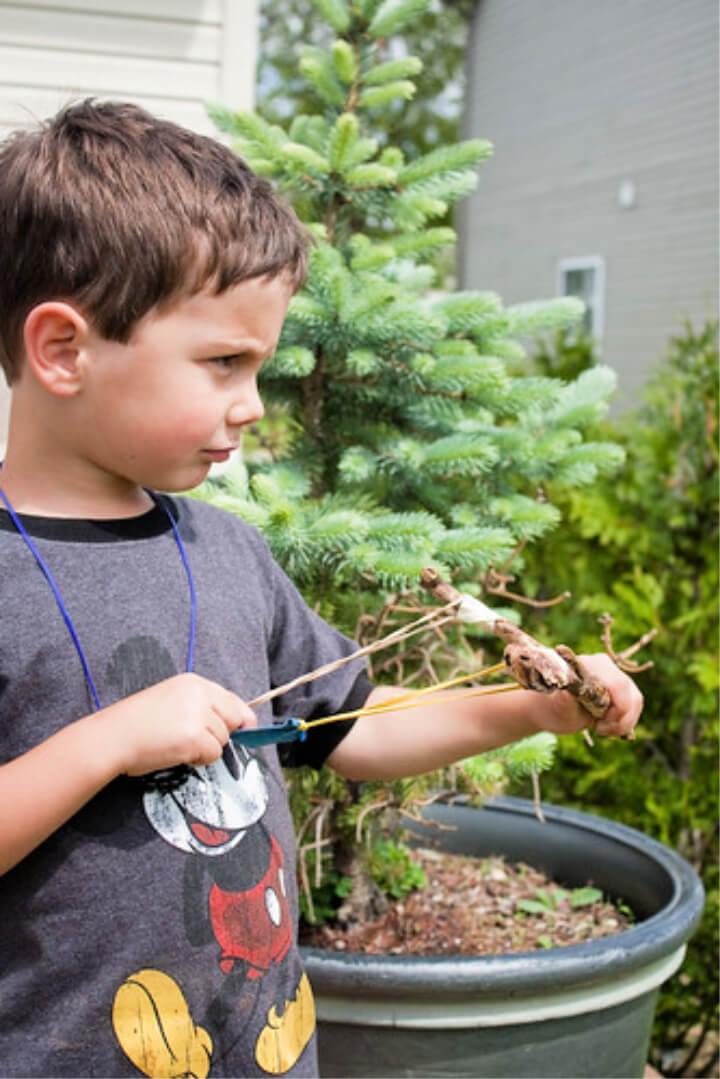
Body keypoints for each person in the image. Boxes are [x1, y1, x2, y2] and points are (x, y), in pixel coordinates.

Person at [0, 100, 642, 1078]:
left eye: (258, 365)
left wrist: (533, 704)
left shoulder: (224, 551)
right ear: (63, 350)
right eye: (223, 362)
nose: (252, 404)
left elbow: (354, 730)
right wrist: (112, 739)